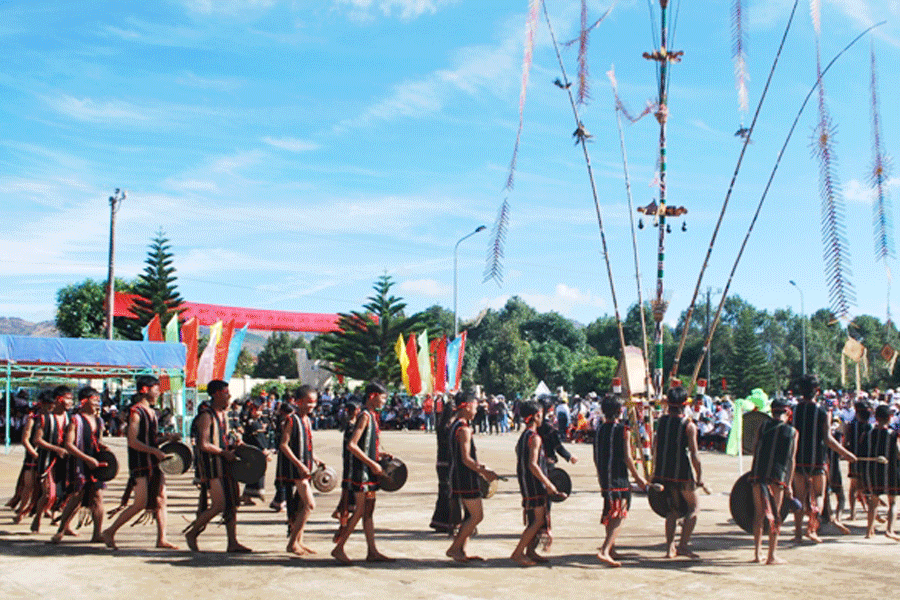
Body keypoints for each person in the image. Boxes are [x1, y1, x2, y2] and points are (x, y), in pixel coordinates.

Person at [102, 375, 179, 550]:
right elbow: (132, 441)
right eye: (156, 388)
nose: (159, 392)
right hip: (140, 463)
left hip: (154, 462)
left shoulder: (152, 412)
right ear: (145, 390)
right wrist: (154, 451)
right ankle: (110, 531)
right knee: (140, 503)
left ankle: (162, 538)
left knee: (161, 499)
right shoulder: (136, 412)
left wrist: (167, 438)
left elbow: (150, 440)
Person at [184, 380, 251, 553]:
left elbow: (225, 438)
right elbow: (203, 444)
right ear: (215, 394)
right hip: (212, 466)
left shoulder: (223, 415)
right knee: (219, 504)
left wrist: (237, 443)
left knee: (232, 503)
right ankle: (192, 533)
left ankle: (232, 542)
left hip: (226, 464)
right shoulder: (207, 416)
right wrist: (223, 453)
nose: (228, 395)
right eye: (225, 392)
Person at [332, 382, 393, 564]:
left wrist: (379, 455)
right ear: (373, 396)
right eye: (382, 397)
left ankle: (372, 551)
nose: (384, 401)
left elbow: (366, 445)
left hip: (369, 472)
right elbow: (352, 445)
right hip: (361, 473)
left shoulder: (372, 416)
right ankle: (339, 547)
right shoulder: (365, 416)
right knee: (360, 510)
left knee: (368, 512)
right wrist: (372, 463)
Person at [791, 374, 855, 543]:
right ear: (817, 391)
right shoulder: (821, 411)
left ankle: (798, 533)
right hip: (817, 459)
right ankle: (811, 528)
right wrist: (846, 454)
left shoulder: (796, 409)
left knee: (799, 497)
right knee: (818, 495)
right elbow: (827, 438)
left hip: (798, 458)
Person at [594, 395, 646, 567]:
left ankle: (611, 548)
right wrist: (638, 479)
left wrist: (600, 473)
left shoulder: (600, 428)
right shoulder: (623, 429)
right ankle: (605, 550)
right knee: (619, 514)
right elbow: (628, 457)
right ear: (619, 411)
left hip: (604, 475)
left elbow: (596, 455)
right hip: (618, 476)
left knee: (611, 512)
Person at [446, 390, 498, 562]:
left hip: (458, 475)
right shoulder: (464, 429)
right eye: (475, 406)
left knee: (469, 516)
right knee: (477, 516)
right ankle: (454, 548)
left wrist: (480, 466)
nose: (477, 410)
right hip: (465, 477)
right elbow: (466, 458)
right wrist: (484, 472)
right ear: (467, 406)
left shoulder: (454, 424)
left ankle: (462, 551)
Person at [51, 387, 108, 544]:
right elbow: (69, 445)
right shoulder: (75, 420)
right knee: (76, 498)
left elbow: (97, 441)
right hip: (80, 465)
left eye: (98, 399)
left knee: (98, 498)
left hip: (95, 465)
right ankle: (61, 530)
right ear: (84, 401)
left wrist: (103, 448)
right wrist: (86, 459)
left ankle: (97, 533)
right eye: (94, 399)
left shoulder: (99, 420)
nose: (97, 402)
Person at [652, 385, 702, 559]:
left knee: (672, 510)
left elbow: (655, 447)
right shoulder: (688, 425)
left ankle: (669, 548)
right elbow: (694, 454)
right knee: (693, 508)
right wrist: (700, 475)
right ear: (684, 405)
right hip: (681, 471)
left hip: (662, 470)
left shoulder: (662, 422)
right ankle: (682, 546)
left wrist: (654, 472)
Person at [511, 401, 563, 566]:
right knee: (538, 521)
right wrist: (548, 484)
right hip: (534, 484)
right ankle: (518, 552)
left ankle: (530, 551)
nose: (543, 418)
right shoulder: (534, 438)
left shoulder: (524, 435)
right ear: (535, 416)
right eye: (541, 415)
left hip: (526, 482)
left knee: (535, 518)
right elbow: (533, 464)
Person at [749, 398, 798, 564]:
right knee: (774, 516)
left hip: (758, 474)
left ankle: (757, 554)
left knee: (759, 514)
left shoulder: (762, 427)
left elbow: (755, 449)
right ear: (787, 412)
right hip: (778, 476)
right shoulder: (792, 432)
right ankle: (771, 555)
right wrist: (789, 484)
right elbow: (791, 460)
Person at [278, 385, 321, 556]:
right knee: (310, 504)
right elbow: (283, 445)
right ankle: (292, 542)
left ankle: (299, 541)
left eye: (314, 402)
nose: (311, 406)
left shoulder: (308, 421)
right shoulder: (291, 420)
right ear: (298, 402)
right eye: (308, 402)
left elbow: (307, 446)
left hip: (306, 468)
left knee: (302, 505)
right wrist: (299, 464)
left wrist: (315, 458)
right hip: (297, 470)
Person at [30, 385, 72, 533]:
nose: (71, 402)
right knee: (49, 494)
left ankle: (63, 523)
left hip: (66, 461)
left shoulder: (70, 417)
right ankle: (38, 518)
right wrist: (56, 449)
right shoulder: (45, 418)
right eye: (68, 398)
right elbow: (37, 440)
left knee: (67, 494)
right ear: (59, 399)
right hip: (48, 460)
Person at [859, 404, 900, 540]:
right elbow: (899, 453)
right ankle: (890, 530)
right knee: (893, 502)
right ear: (889, 417)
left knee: (873, 502)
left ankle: (869, 532)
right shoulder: (893, 434)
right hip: (890, 472)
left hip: (872, 472)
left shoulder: (868, 434)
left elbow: (861, 451)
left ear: (875, 417)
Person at [11, 392, 53, 523]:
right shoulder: (32, 419)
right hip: (32, 457)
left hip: (47, 456)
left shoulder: (52, 419)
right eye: (50, 406)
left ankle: (46, 510)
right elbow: (25, 440)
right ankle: (22, 511)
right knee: (29, 487)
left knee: (47, 488)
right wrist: (34, 454)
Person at [332, 400, 360, 541]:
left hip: (350, 465)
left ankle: (340, 516)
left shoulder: (352, 426)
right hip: (351, 465)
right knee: (348, 497)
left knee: (348, 497)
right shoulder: (351, 427)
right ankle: (342, 527)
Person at [429, 393, 457, 533]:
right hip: (447, 463)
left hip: (441, 463)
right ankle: (445, 521)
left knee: (444, 492)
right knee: (447, 492)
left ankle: (440, 520)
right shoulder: (450, 427)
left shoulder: (441, 426)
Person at [844, 401, 872, 520]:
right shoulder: (869, 427)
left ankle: (853, 512)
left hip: (854, 457)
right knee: (866, 486)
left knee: (854, 487)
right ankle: (868, 510)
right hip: (865, 459)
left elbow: (846, 442)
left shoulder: (851, 425)